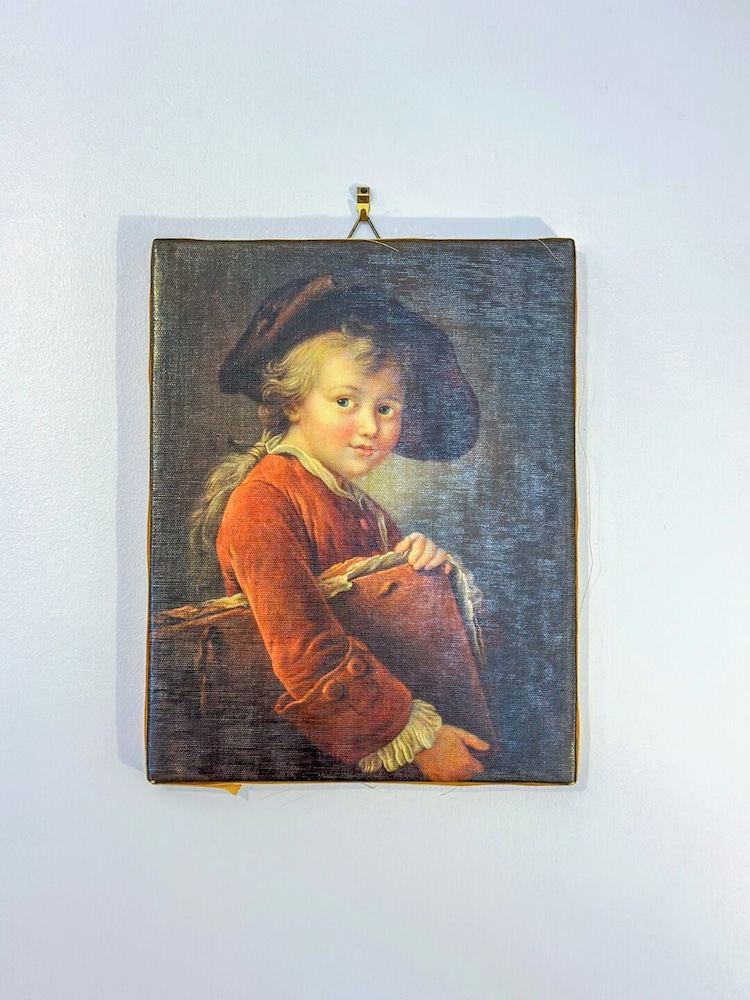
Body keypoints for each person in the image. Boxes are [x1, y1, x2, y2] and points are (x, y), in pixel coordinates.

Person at [191, 274, 493, 781]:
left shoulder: (367, 510)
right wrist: (419, 737)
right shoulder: (264, 501)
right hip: (313, 749)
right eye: (345, 402)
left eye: (385, 408)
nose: (370, 427)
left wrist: (418, 573)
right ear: (293, 401)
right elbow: (305, 652)